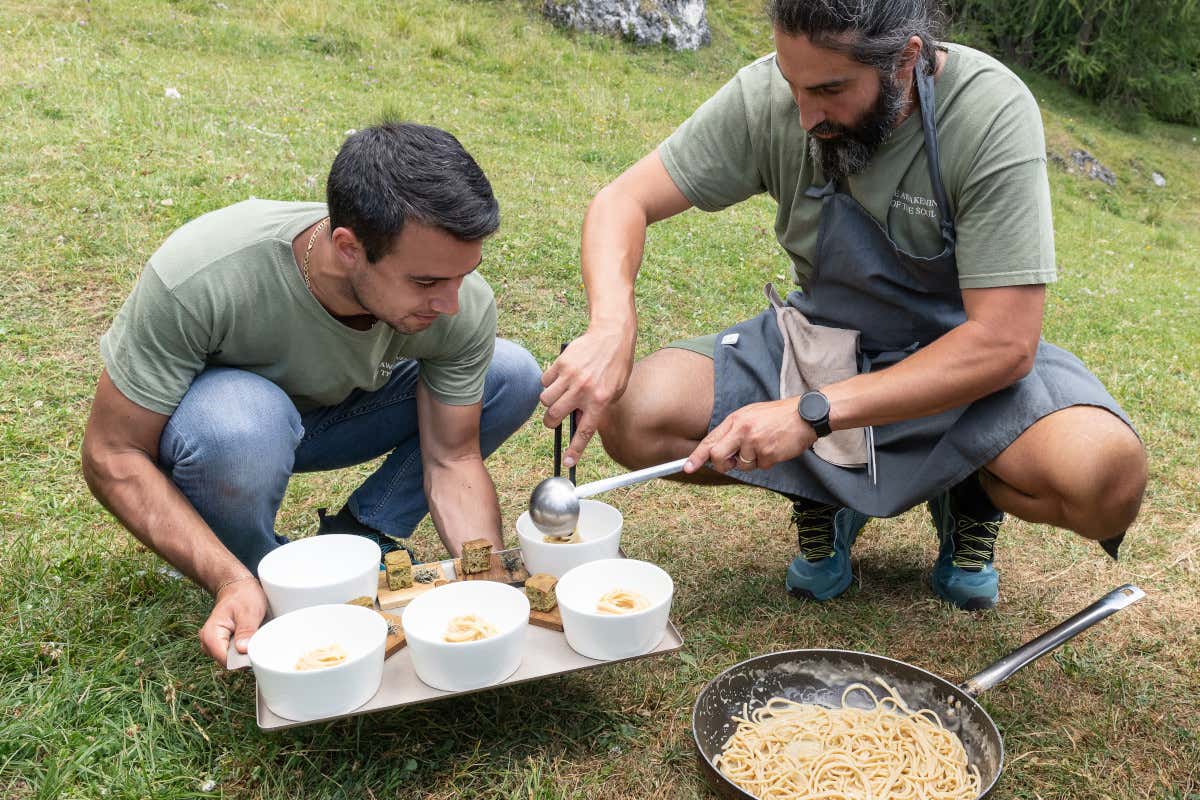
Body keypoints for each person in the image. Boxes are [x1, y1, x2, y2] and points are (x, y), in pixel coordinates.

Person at [539, 0, 1146, 611]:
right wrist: (612, 326)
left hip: (961, 377)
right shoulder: (776, 96)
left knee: (1104, 479)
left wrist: (810, 415)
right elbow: (621, 201)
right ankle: (826, 495)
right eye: (792, 85)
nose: (805, 115)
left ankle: (968, 490)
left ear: (907, 59)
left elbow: (1003, 344)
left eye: (830, 89)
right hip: (820, 351)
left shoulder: (988, 109)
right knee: (636, 415)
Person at [82, 122, 542, 665]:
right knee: (243, 426)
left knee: (510, 373)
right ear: (348, 248)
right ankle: (255, 572)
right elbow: (111, 454)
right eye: (424, 283)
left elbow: (452, 456)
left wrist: (482, 576)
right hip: (227, 433)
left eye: (463, 275)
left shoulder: (456, 300)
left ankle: (365, 533)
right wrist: (225, 578)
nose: (450, 303)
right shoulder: (205, 274)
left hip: (336, 416)